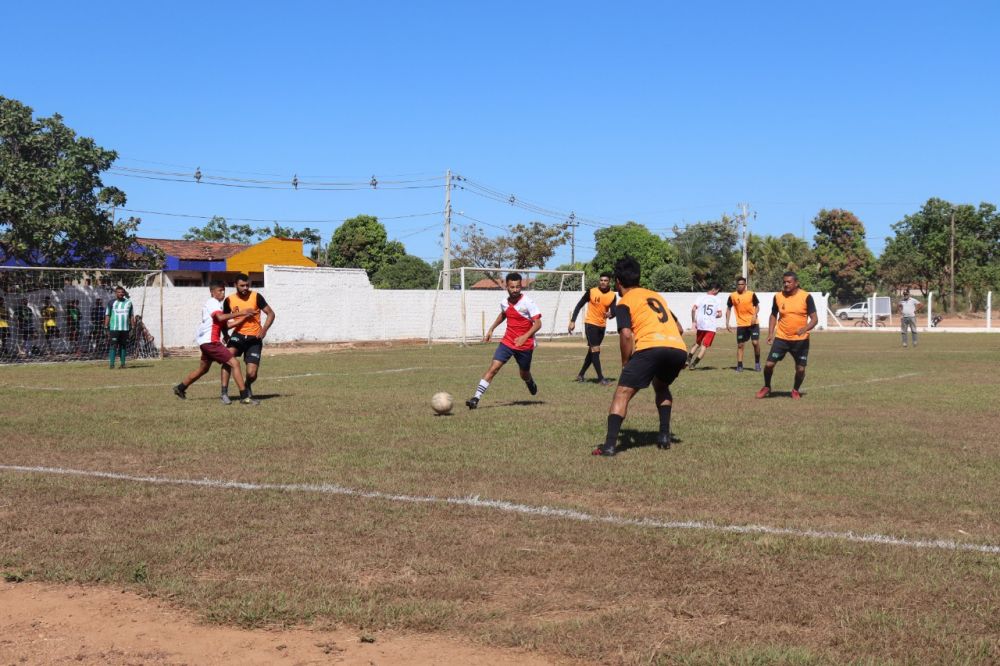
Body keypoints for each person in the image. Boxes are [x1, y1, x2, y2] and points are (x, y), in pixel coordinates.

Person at [593, 256, 687, 457]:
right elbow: (679, 327)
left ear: (618, 281)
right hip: (677, 348)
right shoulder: (656, 296)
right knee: (661, 386)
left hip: (651, 347)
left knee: (622, 393)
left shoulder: (624, 302)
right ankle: (663, 436)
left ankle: (609, 446)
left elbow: (626, 334)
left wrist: (626, 363)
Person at [173, 280, 258, 405]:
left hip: (206, 342)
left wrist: (243, 318)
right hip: (211, 342)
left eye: (223, 290)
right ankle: (245, 397)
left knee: (203, 369)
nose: (222, 292)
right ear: (212, 292)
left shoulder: (216, 305)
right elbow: (220, 318)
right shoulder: (212, 302)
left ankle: (180, 388)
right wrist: (241, 312)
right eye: (220, 290)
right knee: (235, 363)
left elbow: (226, 324)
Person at [465, 272, 541, 409]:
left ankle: (529, 381)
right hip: (507, 341)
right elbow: (504, 314)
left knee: (524, 373)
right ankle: (475, 398)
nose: (515, 290)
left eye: (518, 287)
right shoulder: (504, 303)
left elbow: (538, 323)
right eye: (512, 287)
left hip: (525, 345)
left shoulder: (528, 303)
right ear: (507, 286)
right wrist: (491, 329)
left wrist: (525, 336)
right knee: (494, 368)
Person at [756, 272, 819, 400]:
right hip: (781, 338)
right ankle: (767, 386)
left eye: (789, 282)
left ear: (796, 283)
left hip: (801, 340)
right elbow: (773, 315)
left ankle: (795, 390)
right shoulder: (778, 296)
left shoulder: (806, 297)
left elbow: (814, 319)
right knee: (769, 364)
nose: (786, 284)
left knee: (800, 369)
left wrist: (805, 328)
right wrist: (770, 333)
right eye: (784, 282)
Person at [219, 273, 275, 404]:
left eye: (247, 285)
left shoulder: (256, 297)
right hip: (237, 336)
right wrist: (225, 334)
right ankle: (224, 393)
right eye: (242, 285)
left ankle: (247, 384)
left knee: (252, 373)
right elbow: (223, 320)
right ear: (235, 286)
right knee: (228, 359)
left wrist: (264, 329)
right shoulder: (229, 300)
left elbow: (271, 313)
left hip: (254, 338)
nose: (245, 288)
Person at [568, 271, 617, 385]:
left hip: (602, 326)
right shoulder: (591, 291)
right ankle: (601, 379)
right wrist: (573, 321)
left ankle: (580, 375)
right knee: (595, 350)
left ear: (609, 282)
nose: (603, 282)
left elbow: (614, 310)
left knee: (593, 352)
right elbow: (579, 305)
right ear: (599, 281)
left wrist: (611, 314)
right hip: (590, 324)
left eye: (605, 281)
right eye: (601, 280)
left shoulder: (612, 295)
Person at [725, 277, 761, 372]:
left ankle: (757, 363)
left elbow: (757, 306)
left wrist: (754, 315)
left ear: (745, 285)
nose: (740, 286)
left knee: (755, 343)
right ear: (736, 285)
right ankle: (740, 365)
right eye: (738, 284)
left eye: (742, 284)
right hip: (741, 324)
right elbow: (728, 309)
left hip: (753, 323)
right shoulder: (732, 296)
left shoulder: (751, 294)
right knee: (740, 345)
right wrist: (727, 322)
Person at [687, 285, 723, 370]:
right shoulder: (717, 300)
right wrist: (713, 316)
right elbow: (720, 314)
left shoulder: (701, 297)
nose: (717, 293)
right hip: (711, 326)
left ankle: (687, 360)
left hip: (701, 324)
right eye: (718, 292)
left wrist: (693, 321)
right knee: (704, 346)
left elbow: (693, 309)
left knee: (697, 343)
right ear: (716, 290)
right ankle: (693, 365)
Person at [105, 286, 134, 368]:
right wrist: (106, 327)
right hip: (114, 328)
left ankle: (123, 364)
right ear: (116, 293)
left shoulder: (129, 303)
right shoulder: (111, 303)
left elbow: (131, 316)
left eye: (122, 292)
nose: (121, 293)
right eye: (119, 292)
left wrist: (133, 327)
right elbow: (107, 315)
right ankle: (111, 364)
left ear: (124, 293)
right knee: (113, 346)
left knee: (123, 346)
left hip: (125, 329)